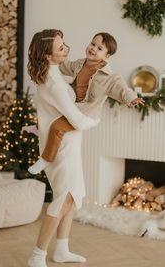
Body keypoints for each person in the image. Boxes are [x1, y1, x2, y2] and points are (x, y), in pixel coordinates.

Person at [27, 29, 100, 267]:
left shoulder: (51, 73)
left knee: (72, 196)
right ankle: (37, 255)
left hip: (68, 145)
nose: (66, 49)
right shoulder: (54, 83)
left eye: (64, 43)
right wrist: (96, 120)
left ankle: (62, 249)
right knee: (63, 199)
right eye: (60, 48)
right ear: (47, 56)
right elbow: (77, 120)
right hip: (63, 151)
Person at [26, 32, 144, 175]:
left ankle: (45, 159)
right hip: (74, 105)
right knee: (53, 109)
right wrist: (51, 55)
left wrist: (131, 98)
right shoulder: (80, 64)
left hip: (87, 113)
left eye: (100, 48)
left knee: (57, 127)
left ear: (107, 56)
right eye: (93, 44)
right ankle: (39, 128)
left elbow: (122, 89)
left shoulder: (110, 77)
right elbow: (64, 66)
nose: (93, 48)